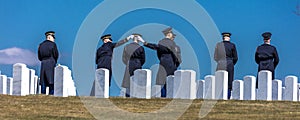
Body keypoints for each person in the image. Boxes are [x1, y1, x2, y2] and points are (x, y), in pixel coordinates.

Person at [140, 27, 182, 97]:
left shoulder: (161, 42)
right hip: (171, 62)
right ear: (169, 34)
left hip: (163, 62)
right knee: (170, 80)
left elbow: (158, 51)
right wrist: (176, 64)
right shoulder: (172, 43)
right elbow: (176, 55)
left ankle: (163, 96)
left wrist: (162, 59)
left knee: (162, 80)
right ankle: (169, 96)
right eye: (172, 34)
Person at [214, 32, 238, 99]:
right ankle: (228, 95)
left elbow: (215, 57)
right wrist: (232, 63)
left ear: (223, 37)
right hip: (229, 63)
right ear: (229, 38)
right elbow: (235, 57)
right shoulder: (232, 45)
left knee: (219, 80)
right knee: (229, 81)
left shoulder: (218, 45)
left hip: (220, 63)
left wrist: (219, 62)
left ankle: (219, 96)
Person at [38, 31, 59, 95]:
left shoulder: (41, 45)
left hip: (43, 63)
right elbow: (56, 54)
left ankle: (43, 93)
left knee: (43, 81)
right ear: (50, 37)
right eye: (53, 38)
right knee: (51, 80)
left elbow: (39, 56)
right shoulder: (53, 45)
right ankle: (51, 93)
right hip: (51, 62)